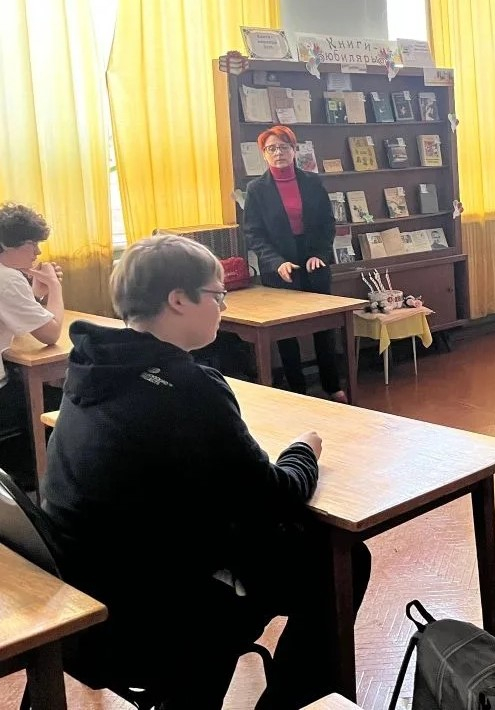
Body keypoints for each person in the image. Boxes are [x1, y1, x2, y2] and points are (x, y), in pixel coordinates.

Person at [39, 235, 371, 708]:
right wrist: (304, 451)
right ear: (178, 299)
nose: (223, 306)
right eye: (217, 295)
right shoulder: (188, 388)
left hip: (82, 594)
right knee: (340, 559)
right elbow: (276, 496)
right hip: (151, 615)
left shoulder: (92, 364)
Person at [241, 124, 348, 403]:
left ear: (294, 150)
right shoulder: (256, 189)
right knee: (285, 334)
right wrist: (276, 262)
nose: (278, 153)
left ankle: (332, 385)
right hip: (279, 266)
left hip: (313, 261)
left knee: (323, 326)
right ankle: (298, 391)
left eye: (283, 147)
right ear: (264, 154)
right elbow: (253, 233)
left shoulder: (312, 182)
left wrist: (320, 254)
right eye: (271, 148)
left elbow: (327, 223)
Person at [0, 202, 64, 490]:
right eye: (31, 244)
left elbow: (19, 322)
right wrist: (55, 288)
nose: (37, 252)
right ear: (6, 244)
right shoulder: (7, 278)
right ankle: (44, 480)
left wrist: (37, 295)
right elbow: (51, 334)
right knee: (61, 400)